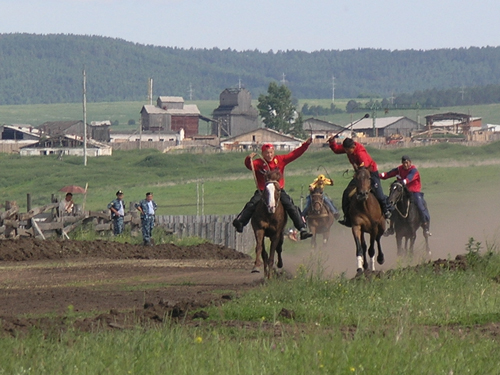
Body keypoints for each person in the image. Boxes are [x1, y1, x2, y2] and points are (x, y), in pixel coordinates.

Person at [232, 140, 313, 240]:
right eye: (266, 153)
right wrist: (248, 159)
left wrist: (306, 145)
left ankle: (302, 228)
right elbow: (249, 165)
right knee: (252, 204)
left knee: (290, 206)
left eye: (271, 152)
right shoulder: (258, 163)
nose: (269, 155)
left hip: (278, 190)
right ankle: (240, 222)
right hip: (262, 191)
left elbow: (294, 154)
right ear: (262, 154)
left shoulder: (280, 160)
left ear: (273, 152)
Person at [328, 137, 392, 227]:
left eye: (348, 150)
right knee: (346, 193)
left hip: (370, 173)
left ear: (353, 147)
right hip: (359, 175)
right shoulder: (348, 148)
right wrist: (332, 142)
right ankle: (347, 217)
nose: (346, 152)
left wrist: (358, 172)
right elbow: (336, 149)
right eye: (345, 150)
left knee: (379, 195)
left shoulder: (360, 152)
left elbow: (364, 166)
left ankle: (386, 210)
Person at [380, 155, 431, 236]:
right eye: (404, 163)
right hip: (402, 192)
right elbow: (388, 174)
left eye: (407, 163)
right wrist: (378, 175)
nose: (405, 165)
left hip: (414, 192)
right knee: (392, 204)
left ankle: (425, 226)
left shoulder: (414, 170)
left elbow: (409, 178)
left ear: (410, 162)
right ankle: (391, 228)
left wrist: (403, 182)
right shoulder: (399, 169)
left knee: (420, 204)